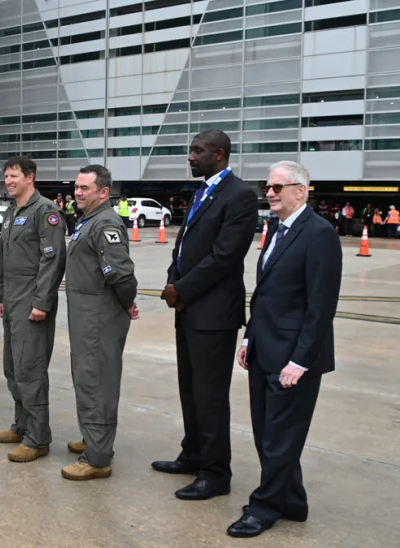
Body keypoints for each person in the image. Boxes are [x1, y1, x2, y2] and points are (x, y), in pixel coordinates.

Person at [227, 161, 342, 538]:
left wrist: (300, 361)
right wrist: (249, 339)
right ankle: (293, 500)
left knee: (280, 436)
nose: (270, 193)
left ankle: (265, 506)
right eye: (268, 186)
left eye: (278, 187)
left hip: (294, 357)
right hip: (265, 349)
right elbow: (266, 294)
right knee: (267, 433)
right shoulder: (277, 229)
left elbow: (320, 307)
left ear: (301, 191)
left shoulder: (319, 234)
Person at [155, 129, 258, 500]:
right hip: (189, 308)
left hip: (213, 313)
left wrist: (182, 288)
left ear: (219, 154)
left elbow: (225, 256)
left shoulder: (240, 195)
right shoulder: (203, 191)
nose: (190, 156)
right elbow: (182, 247)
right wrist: (173, 281)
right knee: (190, 389)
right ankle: (194, 453)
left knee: (210, 395)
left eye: (198, 151)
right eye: (190, 150)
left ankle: (215, 474)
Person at [61, 164, 139, 481]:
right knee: (86, 378)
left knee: (97, 382)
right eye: (77, 187)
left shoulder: (106, 223)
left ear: (103, 192)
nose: (78, 192)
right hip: (87, 316)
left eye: (85, 188)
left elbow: (120, 274)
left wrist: (126, 302)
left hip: (98, 318)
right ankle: (94, 438)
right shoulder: (89, 220)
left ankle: (97, 458)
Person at [0, 156, 66, 463]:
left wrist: (41, 302)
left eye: (14, 176)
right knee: (13, 368)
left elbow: (53, 259)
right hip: (12, 300)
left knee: (30, 370)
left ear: (30, 178)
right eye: (6, 176)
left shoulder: (45, 211)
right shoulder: (11, 213)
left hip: (32, 303)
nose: (8, 181)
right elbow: (2, 259)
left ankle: (38, 437)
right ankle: (22, 425)